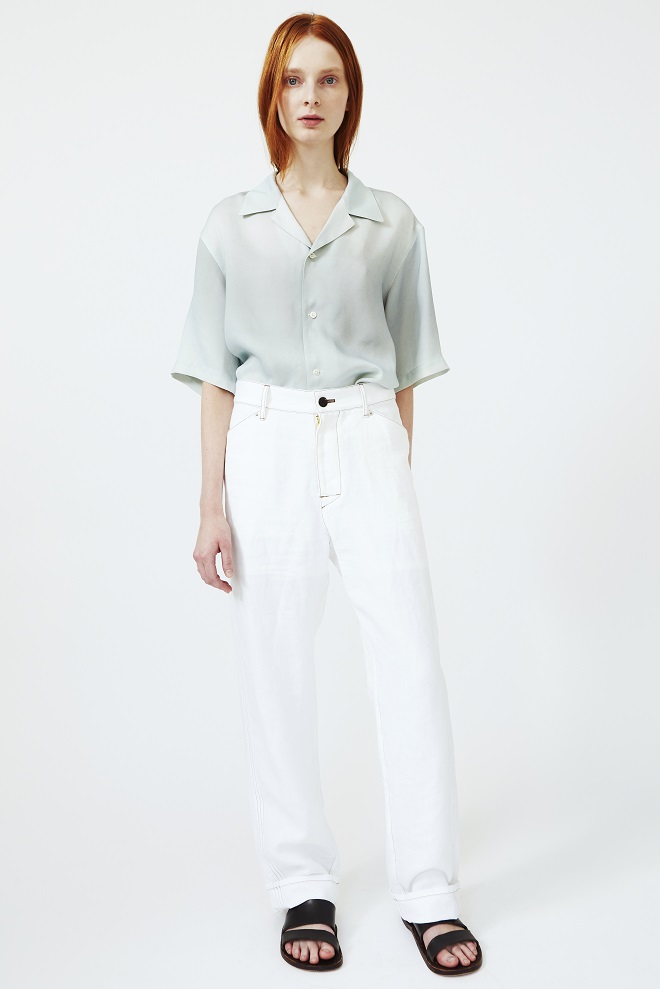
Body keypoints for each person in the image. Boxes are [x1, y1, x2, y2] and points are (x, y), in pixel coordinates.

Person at [171, 11, 483, 976]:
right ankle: (302, 882)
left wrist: (391, 470)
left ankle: (428, 889)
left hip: (367, 435)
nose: (311, 95)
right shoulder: (229, 224)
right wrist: (211, 507)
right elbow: (215, 374)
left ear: (351, 95)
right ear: (273, 95)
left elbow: (407, 369)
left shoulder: (394, 224)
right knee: (275, 667)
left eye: (329, 79)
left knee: (410, 663)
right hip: (263, 444)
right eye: (295, 79)